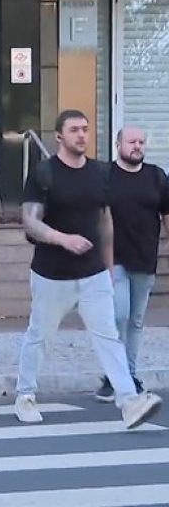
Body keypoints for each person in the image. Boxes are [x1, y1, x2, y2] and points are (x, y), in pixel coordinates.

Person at [17, 109, 162, 428]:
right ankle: (25, 394)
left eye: (85, 129)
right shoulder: (44, 173)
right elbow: (30, 221)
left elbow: (104, 220)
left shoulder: (99, 173)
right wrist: (62, 239)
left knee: (108, 336)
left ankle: (128, 401)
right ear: (59, 137)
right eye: (74, 130)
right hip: (52, 274)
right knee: (40, 335)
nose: (82, 135)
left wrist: (108, 267)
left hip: (94, 272)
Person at [94, 126, 169, 402]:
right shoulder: (105, 176)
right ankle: (116, 376)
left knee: (136, 321)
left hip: (145, 258)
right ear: (118, 144)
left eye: (141, 142)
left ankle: (128, 375)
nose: (137, 146)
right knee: (118, 315)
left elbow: (166, 213)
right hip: (114, 259)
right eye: (131, 141)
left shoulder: (156, 176)